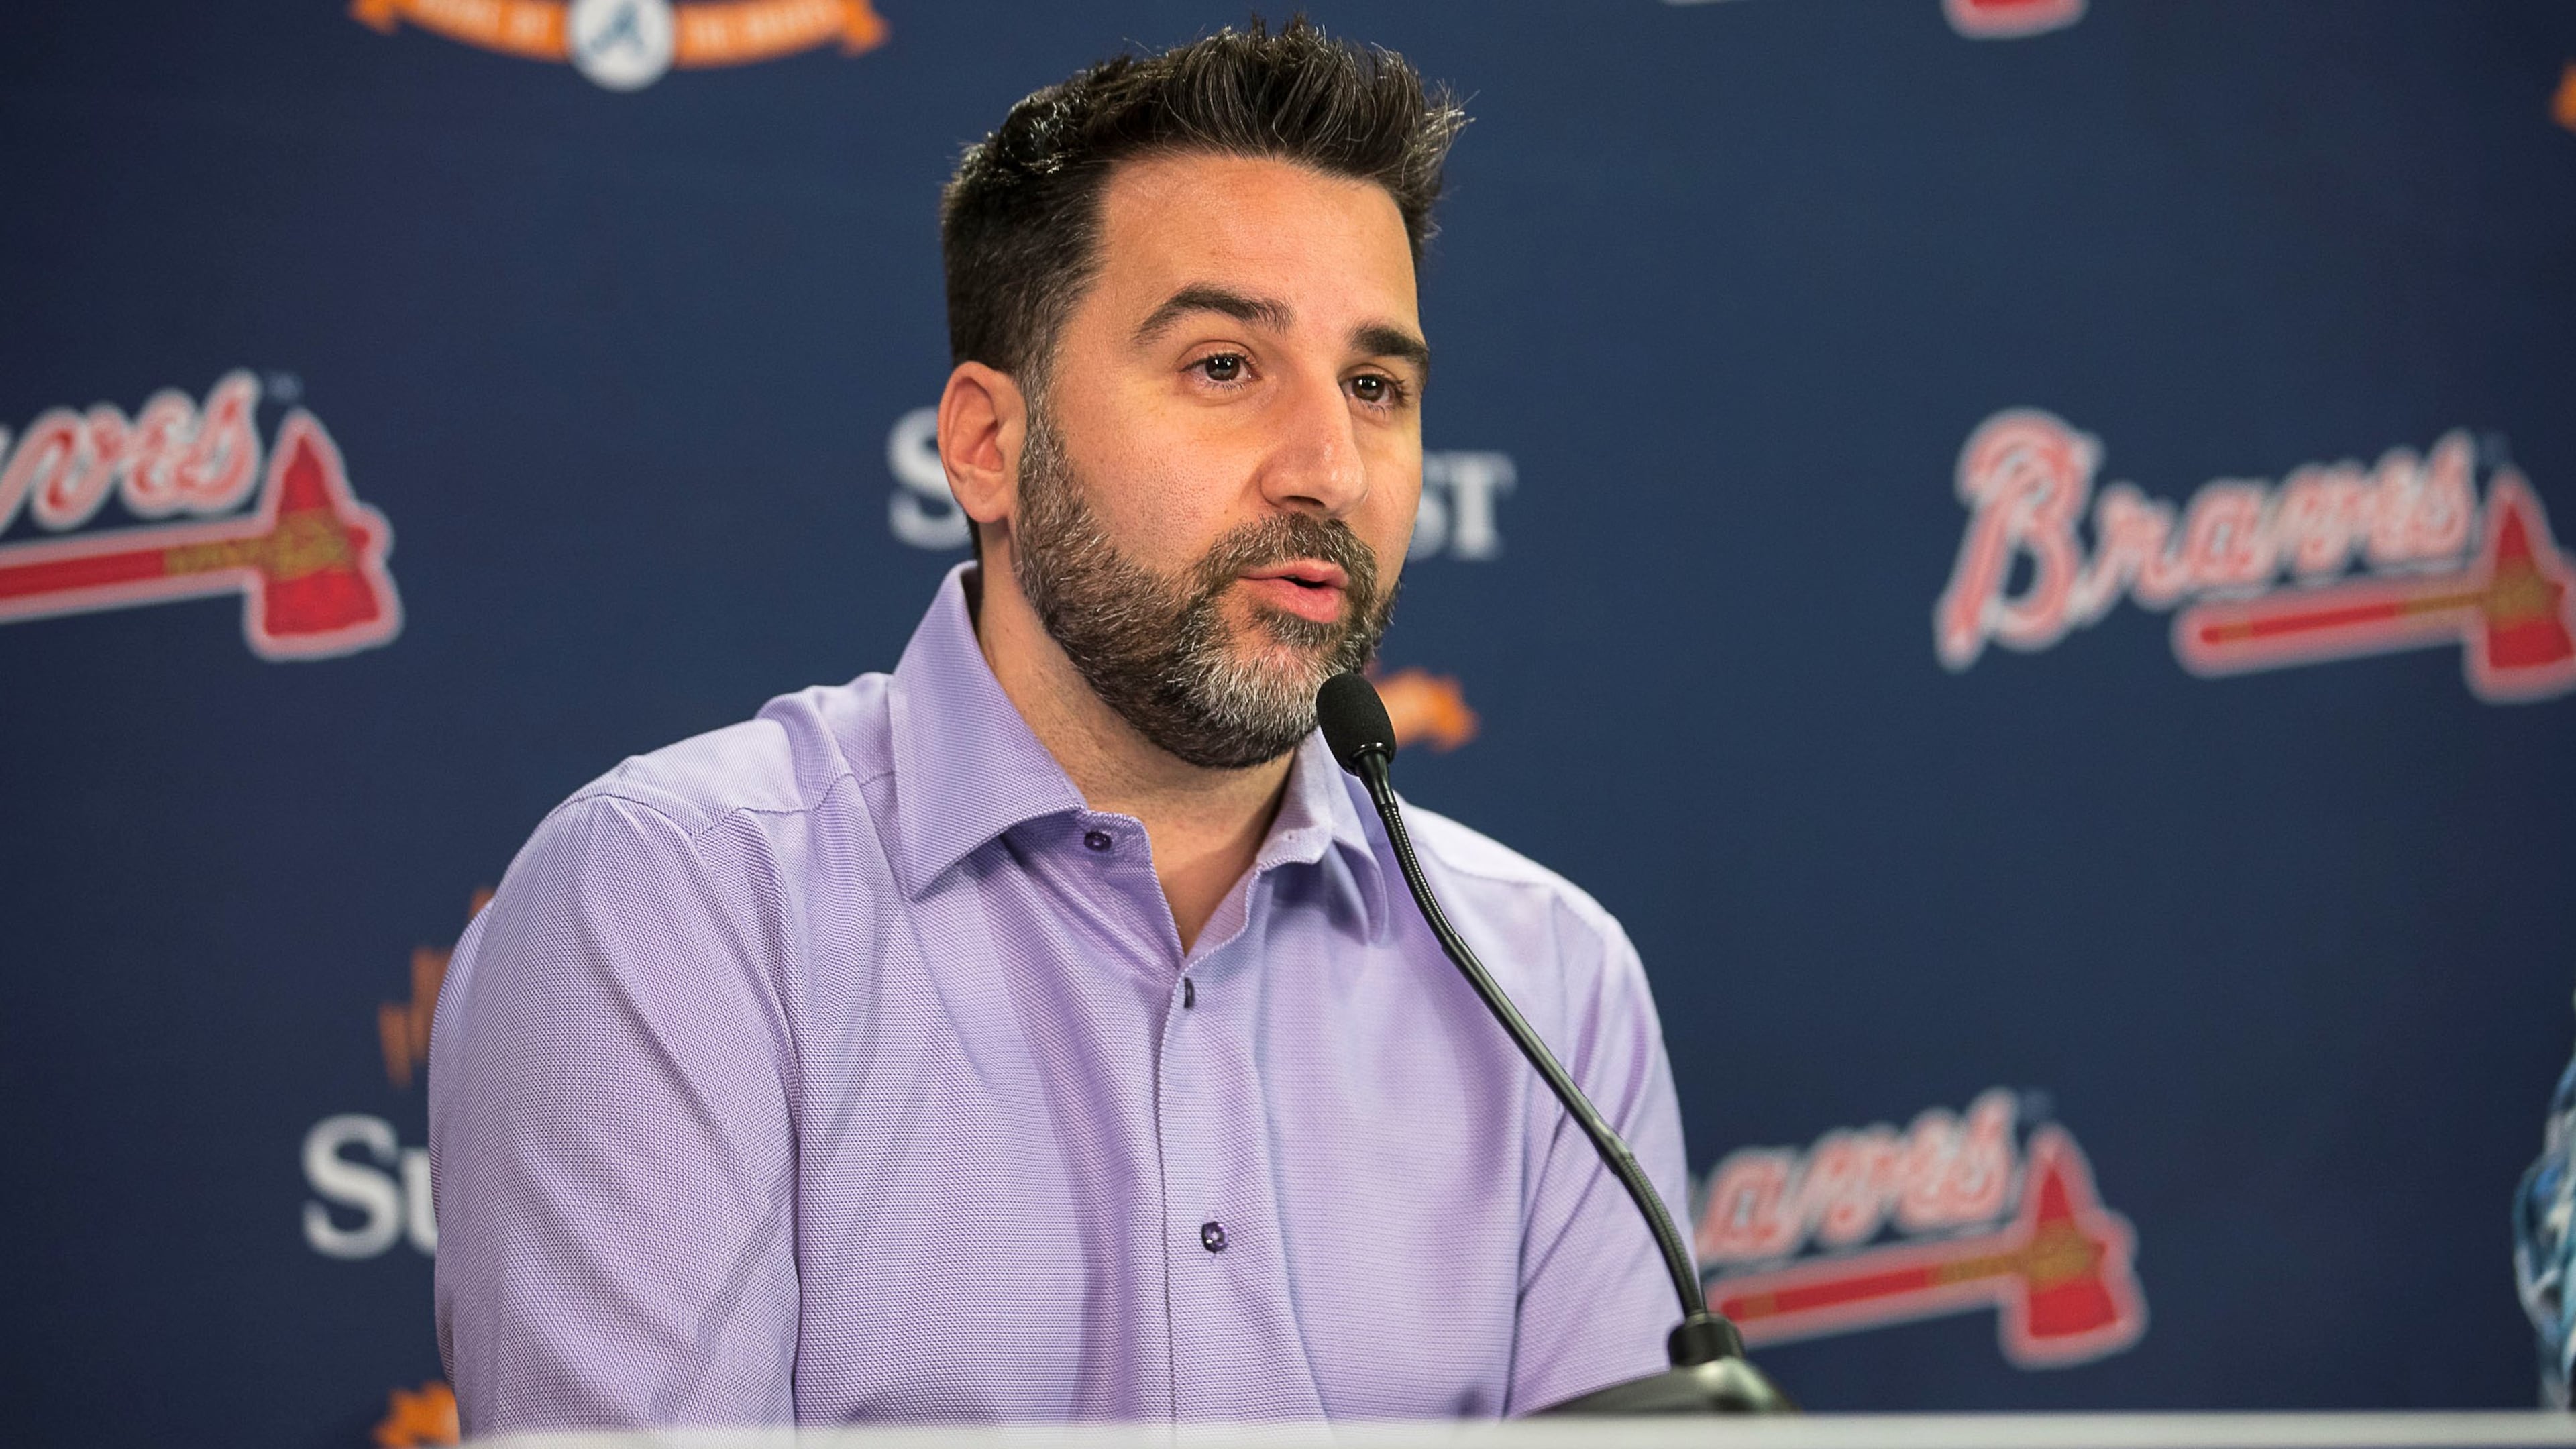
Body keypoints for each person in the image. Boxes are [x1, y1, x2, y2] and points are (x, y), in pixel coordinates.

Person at [430, 18, 1692, 1433]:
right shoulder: (677, 904)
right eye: (1224, 366)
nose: (1329, 465)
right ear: (986, 445)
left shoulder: (1553, 985)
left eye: (1377, 387)